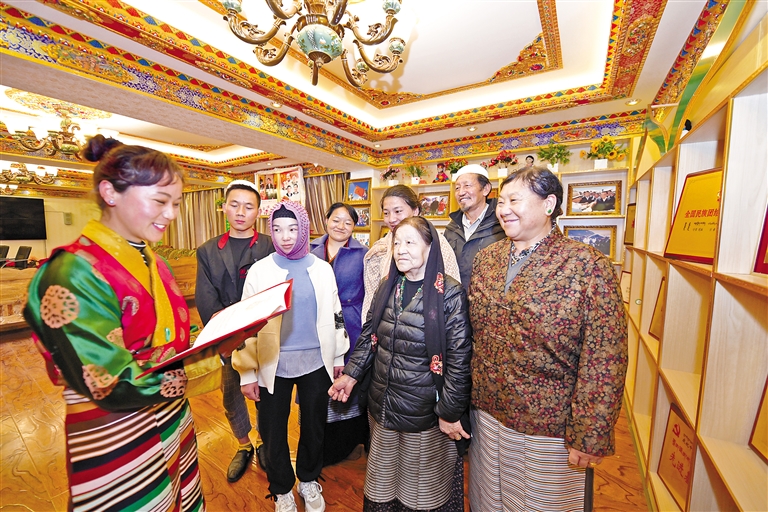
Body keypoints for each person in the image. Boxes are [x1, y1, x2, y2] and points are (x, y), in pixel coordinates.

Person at [23, 134, 245, 511]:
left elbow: (171, 339)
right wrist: (205, 359)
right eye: (160, 201)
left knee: (179, 496)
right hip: (115, 429)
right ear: (110, 192)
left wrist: (217, 338)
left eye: (176, 203)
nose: (171, 214)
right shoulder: (72, 272)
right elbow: (108, 381)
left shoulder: (156, 262)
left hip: (171, 414)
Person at [467, 167, 628, 511]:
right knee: (488, 501)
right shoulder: (487, 259)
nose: (504, 209)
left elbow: (605, 358)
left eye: (515, 200)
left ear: (549, 204)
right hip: (487, 413)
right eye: (500, 201)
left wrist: (589, 433)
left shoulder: (586, 265)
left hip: (549, 425)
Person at [330, 216, 472, 511]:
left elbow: (459, 360)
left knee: (419, 492)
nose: (401, 249)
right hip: (382, 406)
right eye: (397, 243)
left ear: (430, 248)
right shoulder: (387, 286)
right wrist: (351, 375)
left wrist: (449, 412)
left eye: (410, 242)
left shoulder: (450, 293)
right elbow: (369, 337)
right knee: (381, 486)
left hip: (424, 413)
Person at [232, 201, 349, 512]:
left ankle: (308, 479)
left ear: (304, 229)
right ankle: (281, 487)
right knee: (272, 430)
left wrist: (338, 357)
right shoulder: (260, 271)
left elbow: (336, 313)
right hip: (273, 364)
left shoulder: (322, 269)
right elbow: (246, 326)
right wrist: (247, 373)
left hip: (316, 362)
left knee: (314, 425)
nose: (285, 236)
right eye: (278, 229)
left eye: (293, 229)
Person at [195, 179, 275, 482]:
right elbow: (206, 297)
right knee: (231, 394)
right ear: (224, 208)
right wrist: (228, 333)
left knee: (266, 391)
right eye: (235, 204)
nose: (241, 212)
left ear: (258, 212)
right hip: (227, 335)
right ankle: (244, 445)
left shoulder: (269, 245)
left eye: (249, 206)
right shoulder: (207, 250)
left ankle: (265, 441)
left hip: (264, 332)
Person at [309, 203, 369, 465]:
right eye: (336, 219)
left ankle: (345, 444)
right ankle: (317, 442)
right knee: (317, 380)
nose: (341, 226)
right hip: (315, 323)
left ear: (354, 226)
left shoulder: (363, 254)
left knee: (345, 380)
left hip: (350, 323)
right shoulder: (309, 250)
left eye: (348, 222)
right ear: (326, 220)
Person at [362, 184, 460, 318]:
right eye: (386, 213)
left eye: (398, 211)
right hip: (387, 324)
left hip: (427, 321)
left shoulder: (436, 244)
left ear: (415, 211)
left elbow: (452, 295)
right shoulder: (380, 249)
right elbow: (370, 299)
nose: (391, 219)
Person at [444, 164, 506, 290]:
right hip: (455, 299)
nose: (461, 192)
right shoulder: (451, 229)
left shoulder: (502, 225)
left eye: (467, 185)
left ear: (485, 189)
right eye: (457, 188)